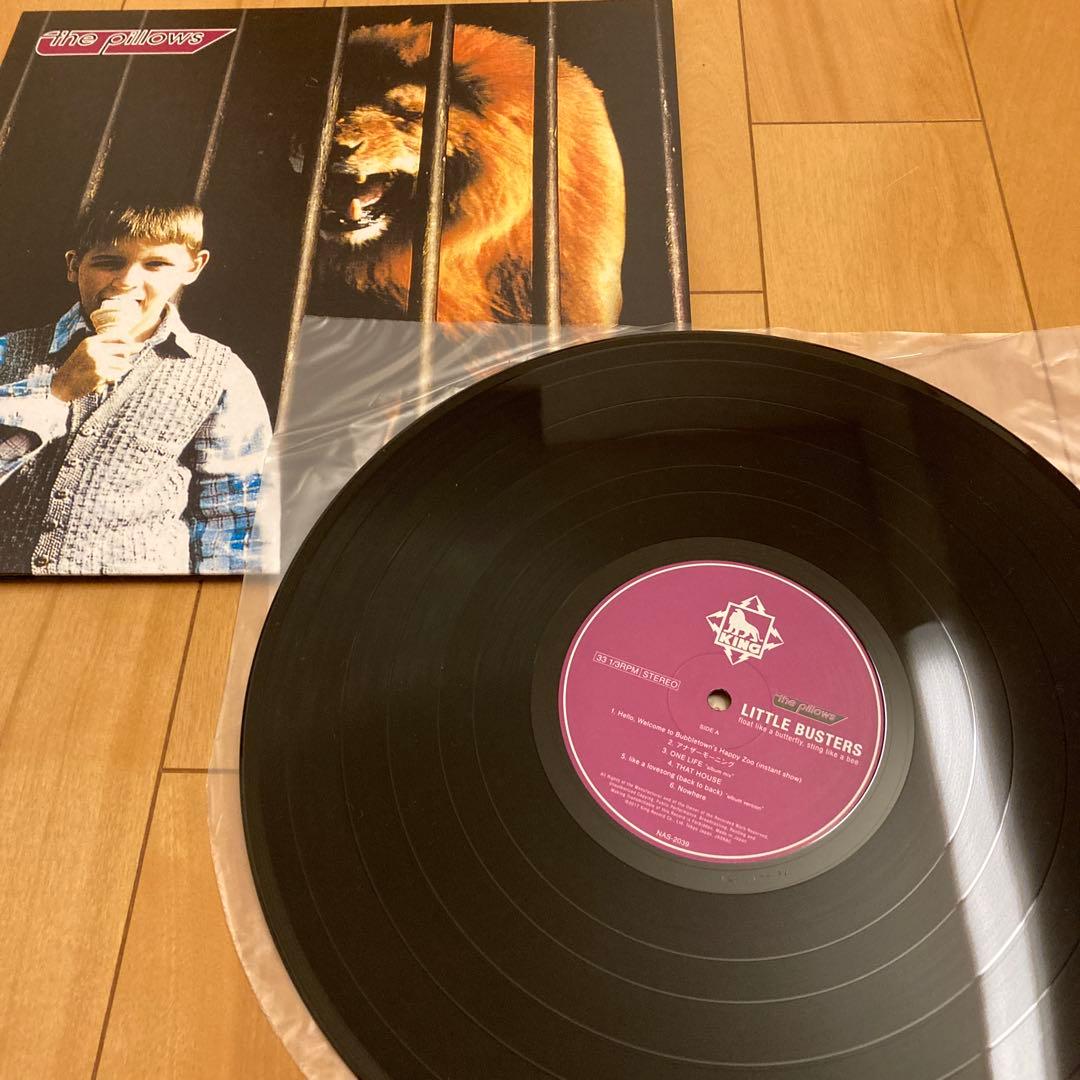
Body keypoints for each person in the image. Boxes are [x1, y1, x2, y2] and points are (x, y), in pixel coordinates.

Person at [0, 200, 276, 575]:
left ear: (193, 267)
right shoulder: (8, 351)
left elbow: (236, 523)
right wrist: (56, 392)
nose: (126, 281)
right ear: (73, 266)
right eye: (108, 262)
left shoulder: (220, 373)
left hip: (137, 601)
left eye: (156, 264)